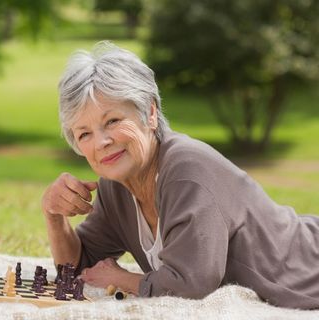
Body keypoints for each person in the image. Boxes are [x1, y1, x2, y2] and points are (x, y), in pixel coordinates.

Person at [41, 41, 319, 309]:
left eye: (112, 121)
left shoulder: (187, 170)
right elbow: (80, 269)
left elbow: (193, 285)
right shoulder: (116, 188)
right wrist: (54, 216)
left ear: (149, 113)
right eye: (84, 134)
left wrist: (123, 279)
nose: (100, 142)